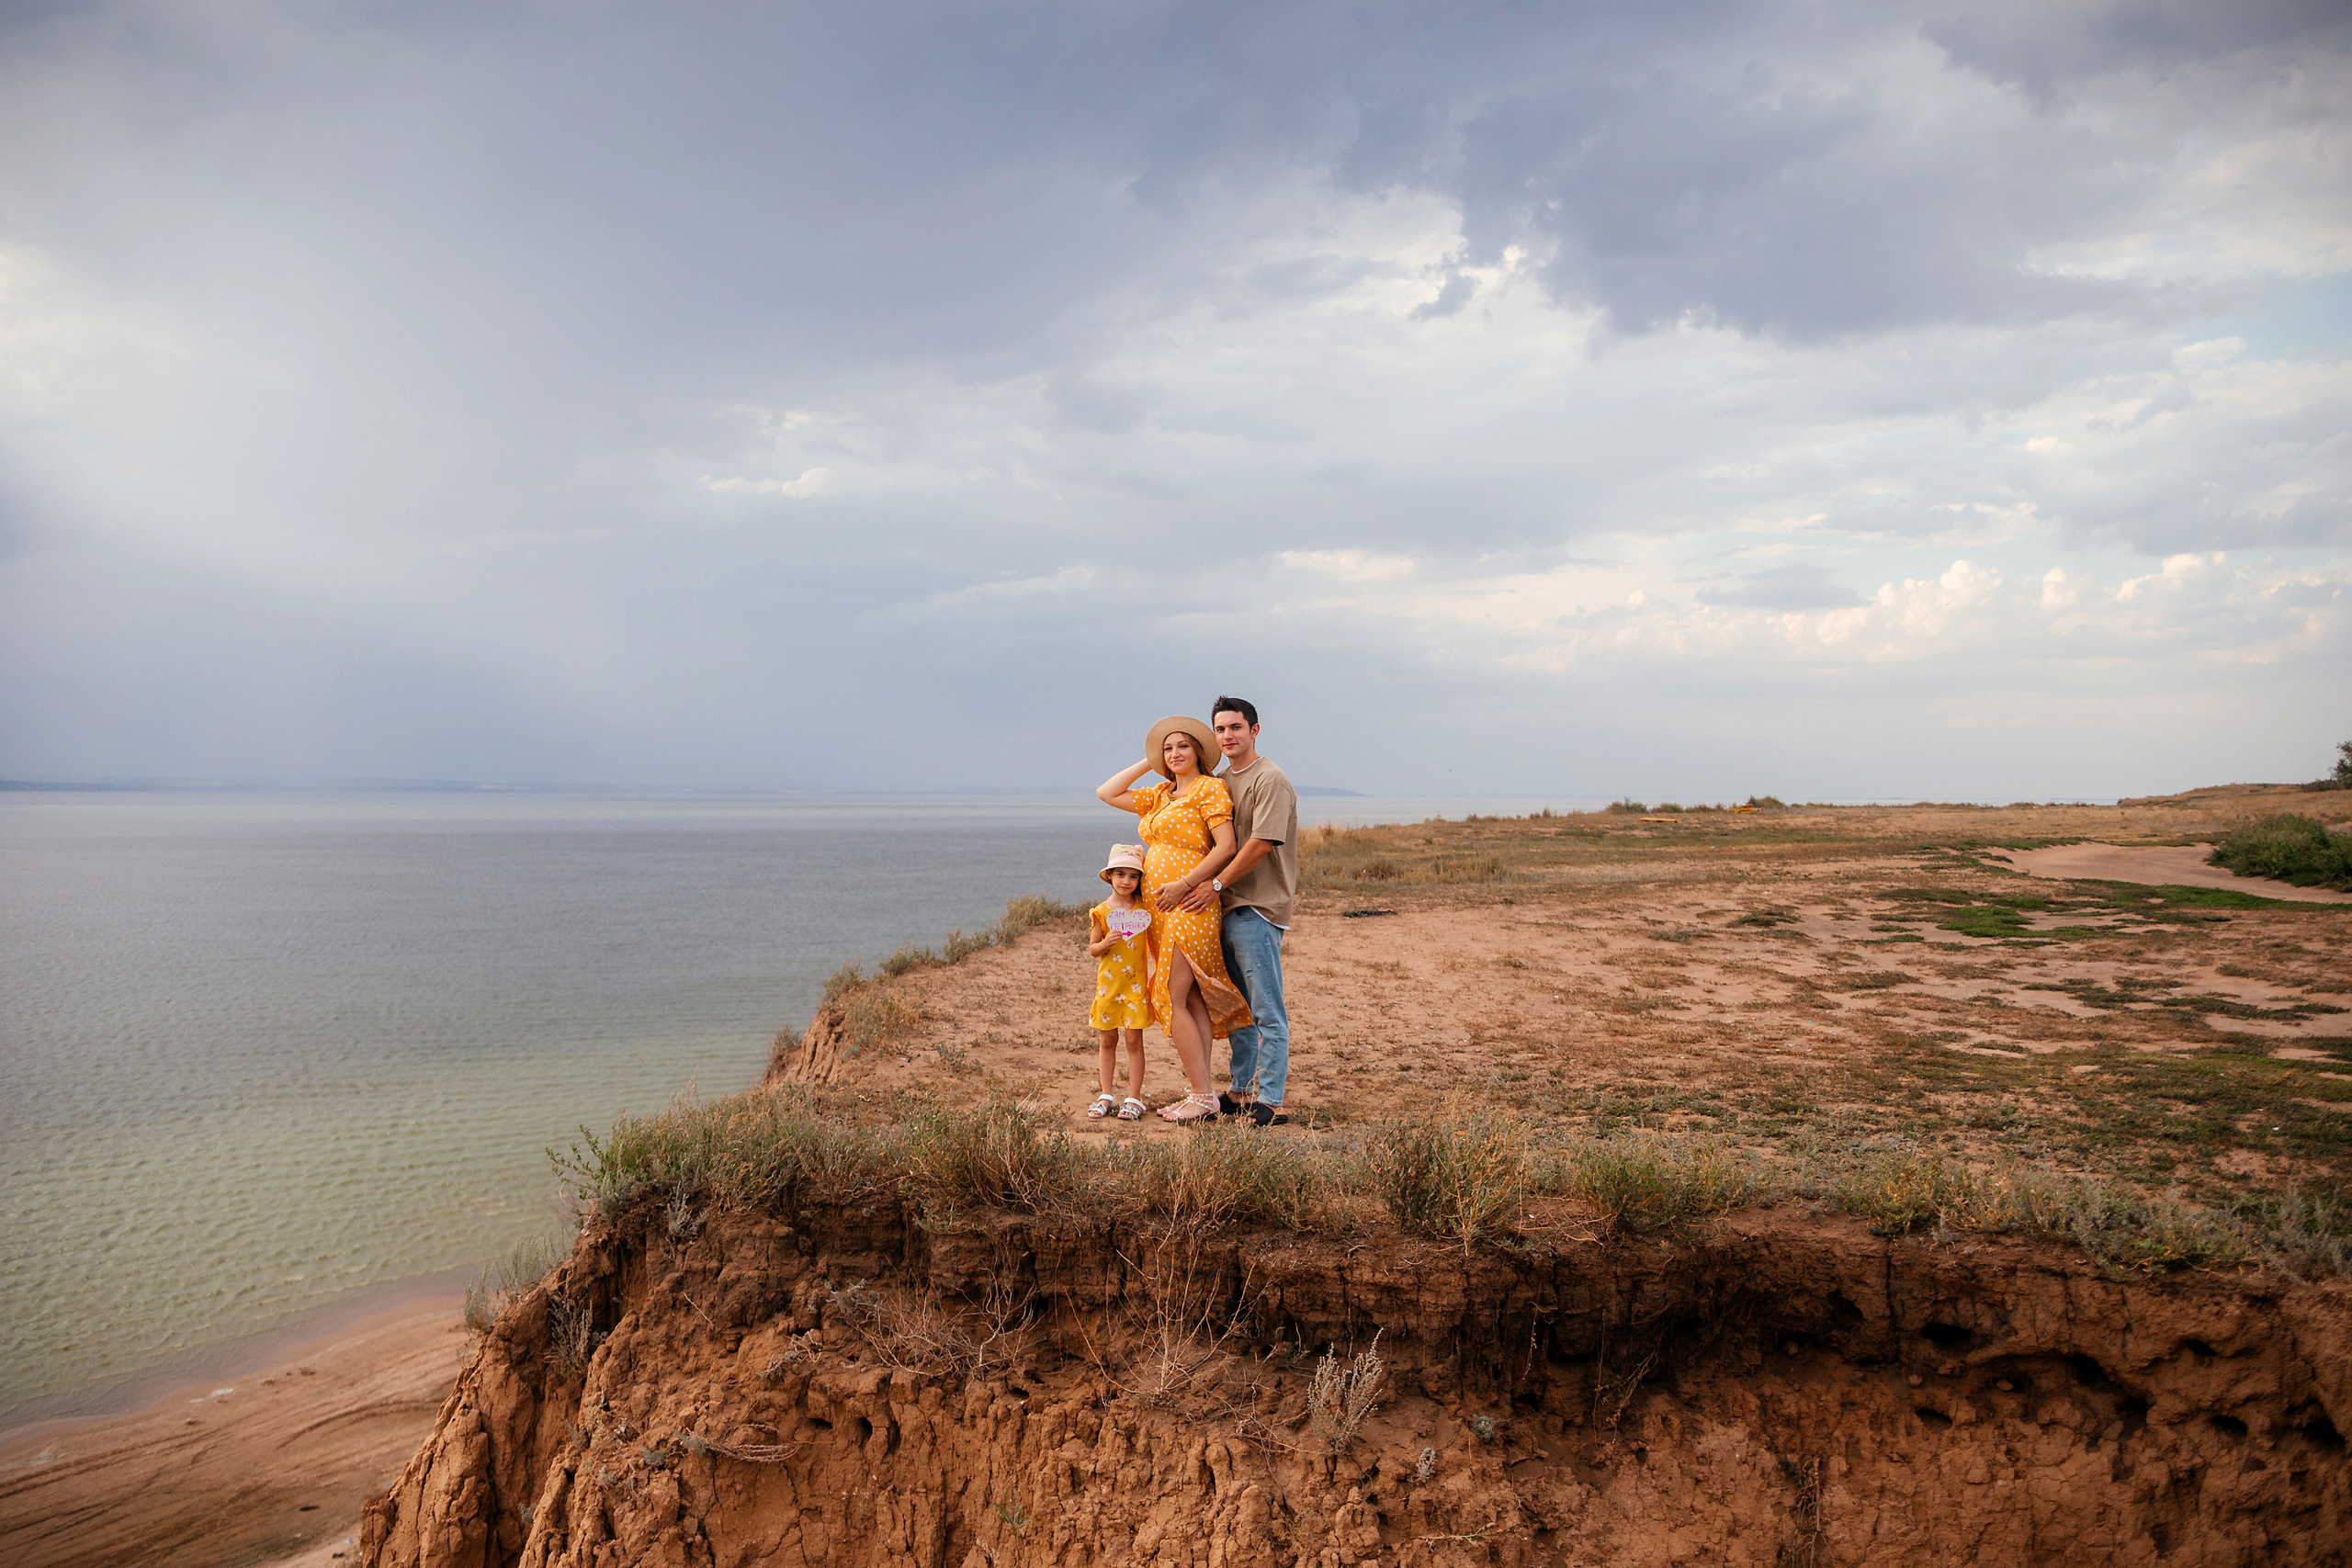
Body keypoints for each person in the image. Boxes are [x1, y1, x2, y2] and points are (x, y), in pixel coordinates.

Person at [1097, 716, 1252, 1122]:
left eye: (1183, 746)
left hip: (1190, 905)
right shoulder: (1161, 794)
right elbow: (1106, 792)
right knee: (1192, 997)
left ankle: (1201, 1096)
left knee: (1168, 993)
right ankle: (1203, 1096)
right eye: (1168, 748)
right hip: (1160, 914)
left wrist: (1185, 883)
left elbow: (1227, 845)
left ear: (1199, 752)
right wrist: (1151, 762)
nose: (1175, 754)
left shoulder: (1208, 788)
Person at [1177, 695, 1298, 1126]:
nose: (1227, 736)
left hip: (1257, 908)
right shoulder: (1222, 780)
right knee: (1238, 1009)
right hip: (1222, 907)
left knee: (1266, 1007)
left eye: (1236, 727)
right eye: (1221, 729)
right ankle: (1241, 1090)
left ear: (1254, 730)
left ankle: (1272, 1101)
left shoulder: (1270, 779)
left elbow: (1260, 844)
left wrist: (1213, 884)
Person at [1084, 844, 1152, 1122]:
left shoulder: (1144, 912)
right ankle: (1106, 1094)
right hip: (1109, 988)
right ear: (1110, 875)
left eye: (1133, 876)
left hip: (1135, 987)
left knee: (1134, 1041)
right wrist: (1105, 942)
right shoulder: (1100, 912)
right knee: (1108, 1039)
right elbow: (1092, 949)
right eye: (1121, 874)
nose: (1126, 882)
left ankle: (1134, 1097)